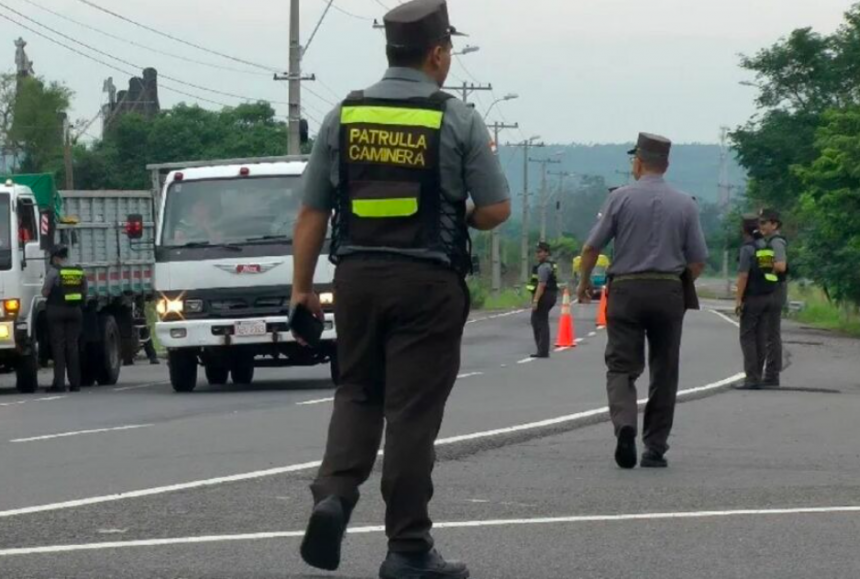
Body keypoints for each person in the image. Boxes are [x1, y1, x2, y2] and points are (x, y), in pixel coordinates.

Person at [290, 0, 511, 576]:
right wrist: (458, 216)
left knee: (357, 392)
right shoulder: (457, 118)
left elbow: (312, 212)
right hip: (426, 283)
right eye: (450, 52)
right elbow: (496, 209)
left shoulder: (345, 116)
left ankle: (334, 494)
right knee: (411, 413)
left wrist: (301, 290)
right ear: (436, 54)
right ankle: (408, 547)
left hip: (356, 279)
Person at [576, 132, 708, 470]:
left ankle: (625, 427)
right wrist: (677, 286)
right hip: (668, 291)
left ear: (637, 162)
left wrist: (583, 283)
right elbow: (698, 260)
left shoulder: (619, 198)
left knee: (622, 366)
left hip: (627, 290)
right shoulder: (686, 203)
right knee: (665, 370)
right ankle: (655, 448)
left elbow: (592, 248)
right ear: (666, 164)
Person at [734, 216, 779, 390]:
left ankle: (751, 378)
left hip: (753, 297)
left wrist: (738, 299)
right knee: (760, 337)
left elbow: (743, 275)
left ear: (743, 230)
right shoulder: (765, 246)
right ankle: (758, 376)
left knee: (747, 337)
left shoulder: (747, 248)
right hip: (768, 296)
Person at [41, 245, 86, 393]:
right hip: (75, 312)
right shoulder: (78, 271)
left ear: (55, 258)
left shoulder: (54, 271)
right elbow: (85, 291)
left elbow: (45, 292)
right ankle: (75, 384)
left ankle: (59, 384)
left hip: (56, 312)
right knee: (72, 347)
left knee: (58, 348)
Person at [758, 208, 788, 387]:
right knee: (769, 333)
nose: (760, 226)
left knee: (771, 334)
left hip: (775, 290)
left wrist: (765, 266)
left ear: (774, 224)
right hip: (771, 289)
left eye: (764, 222)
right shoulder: (767, 242)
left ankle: (771, 375)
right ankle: (770, 373)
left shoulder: (776, 242)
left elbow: (781, 266)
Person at [527, 242, 559, 358]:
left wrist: (535, 301)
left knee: (539, 321)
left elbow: (541, 285)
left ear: (546, 252)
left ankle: (542, 351)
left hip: (545, 296)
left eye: (540, 252)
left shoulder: (543, 267)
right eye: (537, 252)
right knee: (539, 321)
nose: (538, 254)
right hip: (551, 295)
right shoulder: (550, 265)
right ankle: (542, 349)